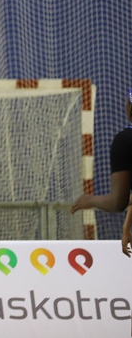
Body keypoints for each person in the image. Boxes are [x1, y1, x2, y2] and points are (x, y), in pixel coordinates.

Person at [71, 87, 132, 252]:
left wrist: (90, 200)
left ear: (129, 107)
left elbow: (117, 202)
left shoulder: (125, 141)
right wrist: (126, 227)